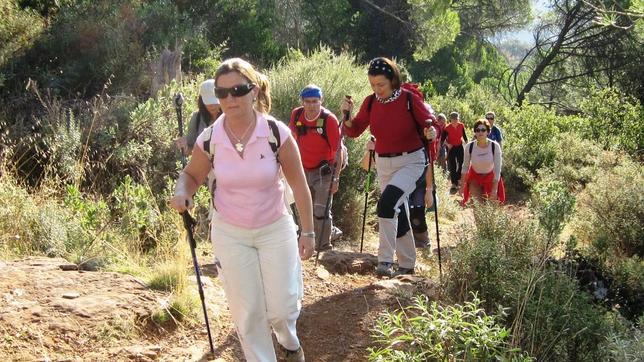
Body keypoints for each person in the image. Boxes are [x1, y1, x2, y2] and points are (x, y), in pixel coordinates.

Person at [169, 58, 313, 362]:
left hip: (275, 226)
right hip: (230, 231)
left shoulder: (277, 133)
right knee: (247, 312)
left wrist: (309, 232)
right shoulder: (211, 138)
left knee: (282, 309)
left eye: (238, 90)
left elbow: (299, 185)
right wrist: (182, 192)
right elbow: (191, 175)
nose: (229, 99)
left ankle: (289, 342)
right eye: (222, 93)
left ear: (254, 89)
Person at [341, 57, 435, 278]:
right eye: (373, 85)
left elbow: (431, 124)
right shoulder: (371, 102)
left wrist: (433, 132)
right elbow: (353, 131)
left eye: (381, 84)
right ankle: (407, 264)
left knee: (387, 204)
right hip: (384, 162)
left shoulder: (409, 99)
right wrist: (346, 115)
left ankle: (384, 261)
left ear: (393, 80)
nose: (377, 89)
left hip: (412, 161)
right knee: (397, 210)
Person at [289, 84, 342, 251]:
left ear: (321, 101)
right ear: (302, 102)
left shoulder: (329, 120)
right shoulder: (297, 115)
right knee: (302, 208)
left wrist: (335, 178)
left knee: (321, 210)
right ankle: (310, 239)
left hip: (324, 171)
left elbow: (338, 151)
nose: (312, 105)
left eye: (315, 101)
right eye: (308, 101)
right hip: (302, 169)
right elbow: (290, 140)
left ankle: (324, 245)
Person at [459, 119, 506, 204]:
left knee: (490, 209)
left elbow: (497, 169)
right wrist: (462, 186)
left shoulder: (495, 146)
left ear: (488, 132)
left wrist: (495, 189)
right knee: (478, 207)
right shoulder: (469, 147)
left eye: (483, 130)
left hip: (491, 179)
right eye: (477, 130)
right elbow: (465, 167)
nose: (480, 132)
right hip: (475, 178)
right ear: (475, 132)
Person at [175, 79, 222, 156]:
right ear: (202, 100)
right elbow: (190, 150)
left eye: (213, 102)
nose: (211, 105)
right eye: (208, 102)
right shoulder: (197, 118)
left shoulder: (230, 118)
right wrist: (184, 146)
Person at [440, 111, 468, 193]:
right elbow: (442, 140)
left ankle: (458, 178)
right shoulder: (447, 128)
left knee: (461, 163)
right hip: (451, 148)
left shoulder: (461, 125)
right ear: (451, 120)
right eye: (454, 119)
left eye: (457, 119)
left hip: (459, 146)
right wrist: (448, 144)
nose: (456, 121)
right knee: (453, 165)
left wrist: (468, 144)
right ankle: (454, 183)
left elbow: (464, 135)